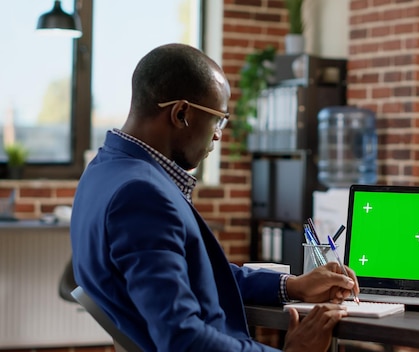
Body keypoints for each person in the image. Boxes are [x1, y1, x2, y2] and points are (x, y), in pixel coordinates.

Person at [70, 43, 359, 352]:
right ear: (181, 114)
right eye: (218, 119)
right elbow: (182, 338)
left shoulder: (104, 170)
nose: (219, 134)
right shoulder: (141, 194)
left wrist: (292, 286)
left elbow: (198, 275)